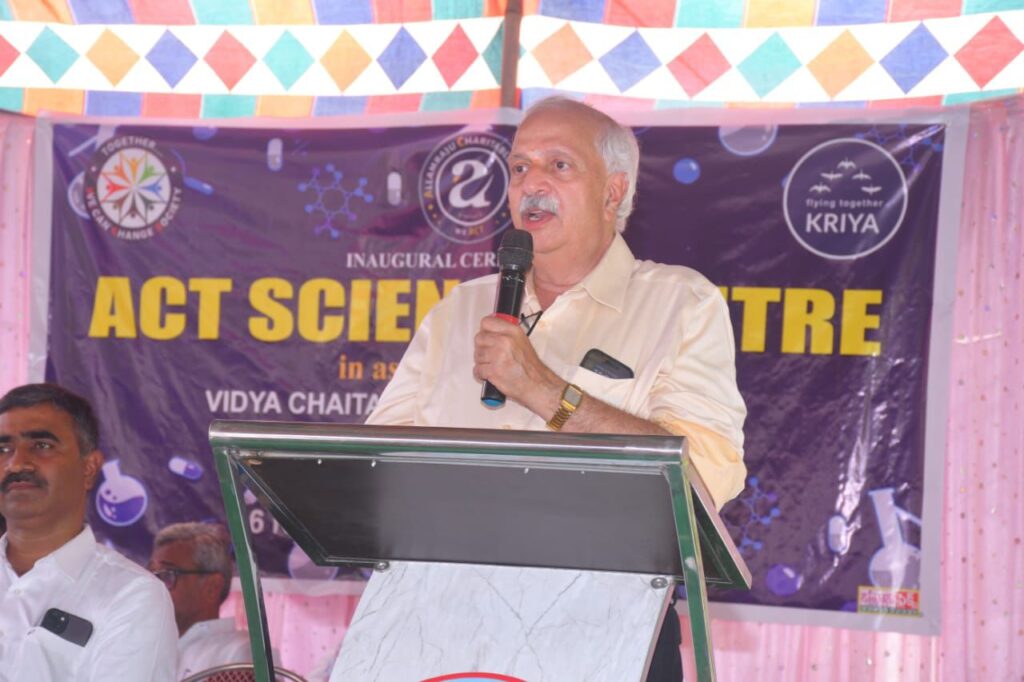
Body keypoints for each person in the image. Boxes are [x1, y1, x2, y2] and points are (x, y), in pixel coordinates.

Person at [366, 97, 747, 681]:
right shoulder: (459, 309)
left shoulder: (680, 303)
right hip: (442, 625)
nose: (531, 184)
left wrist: (547, 392)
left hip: (606, 628)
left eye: (559, 165)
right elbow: (375, 470)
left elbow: (704, 479)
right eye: (520, 167)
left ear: (613, 192)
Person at [0, 382, 177, 681]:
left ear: (89, 468)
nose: (16, 464)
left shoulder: (132, 596)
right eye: (3, 449)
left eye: (42, 445)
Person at [149, 522, 253, 680]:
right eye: (150, 574)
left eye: (167, 575)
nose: (154, 586)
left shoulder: (242, 652)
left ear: (212, 586)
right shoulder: (144, 643)